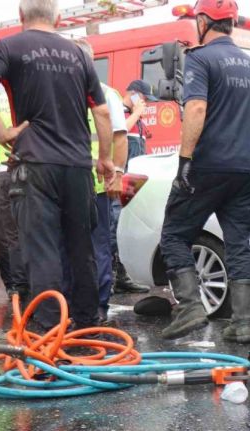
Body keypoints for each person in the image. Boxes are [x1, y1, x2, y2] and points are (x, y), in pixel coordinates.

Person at [0, 0, 115, 330]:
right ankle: (88, 326)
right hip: (78, 167)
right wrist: (105, 159)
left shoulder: (8, 47)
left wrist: (3, 132)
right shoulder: (79, 54)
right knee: (81, 249)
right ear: (59, 18)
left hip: (35, 166)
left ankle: (51, 332)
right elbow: (102, 112)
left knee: (43, 251)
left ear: (21, 16)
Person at [159, 0, 250, 341]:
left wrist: (184, 161)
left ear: (203, 21)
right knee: (239, 243)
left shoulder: (200, 58)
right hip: (246, 168)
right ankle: (243, 323)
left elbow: (196, 109)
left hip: (208, 165)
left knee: (174, 235)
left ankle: (190, 307)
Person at [64, 39, 129, 323]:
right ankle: (75, 305)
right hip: (71, 184)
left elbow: (120, 137)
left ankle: (98, 304)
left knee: (96, 247)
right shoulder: (67, 90)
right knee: (73, 247)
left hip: (97, 184)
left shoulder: (106, 94)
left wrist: (118, 174)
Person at [108, 80, 155, 295]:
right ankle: (109, 277)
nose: (146, 103)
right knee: (114, 228)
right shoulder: (119, 110)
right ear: (134, 94)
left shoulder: (138, 119)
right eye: (144, 98)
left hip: (134, 183)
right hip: (120, 181)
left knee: (126, 229)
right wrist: (136, 113)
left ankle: (122, 276)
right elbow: (119, 131)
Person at [0, 89, 28, 303]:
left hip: (4, 171)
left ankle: (15, 285)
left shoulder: (1, 100)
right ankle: (21, 285)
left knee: (6, 233)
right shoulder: (24, 96)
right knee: (16, 232)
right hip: (17, 170)